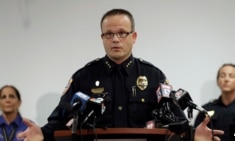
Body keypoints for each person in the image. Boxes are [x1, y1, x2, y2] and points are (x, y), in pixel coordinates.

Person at [17, 8, 223, 141]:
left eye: (122, 33)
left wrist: (194, 135)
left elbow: (175, 120)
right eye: (109, 34)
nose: (116, 39)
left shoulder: (153, 76)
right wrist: (42, 134)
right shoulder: (84, 77)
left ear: (133, 37)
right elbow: (61, 119)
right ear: (102, 37)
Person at [194, 63, 235, 141]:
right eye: (222, 76)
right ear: (217, 81)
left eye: (231, 76)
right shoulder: (206, 109)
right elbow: (197, 135)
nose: (226, 79)